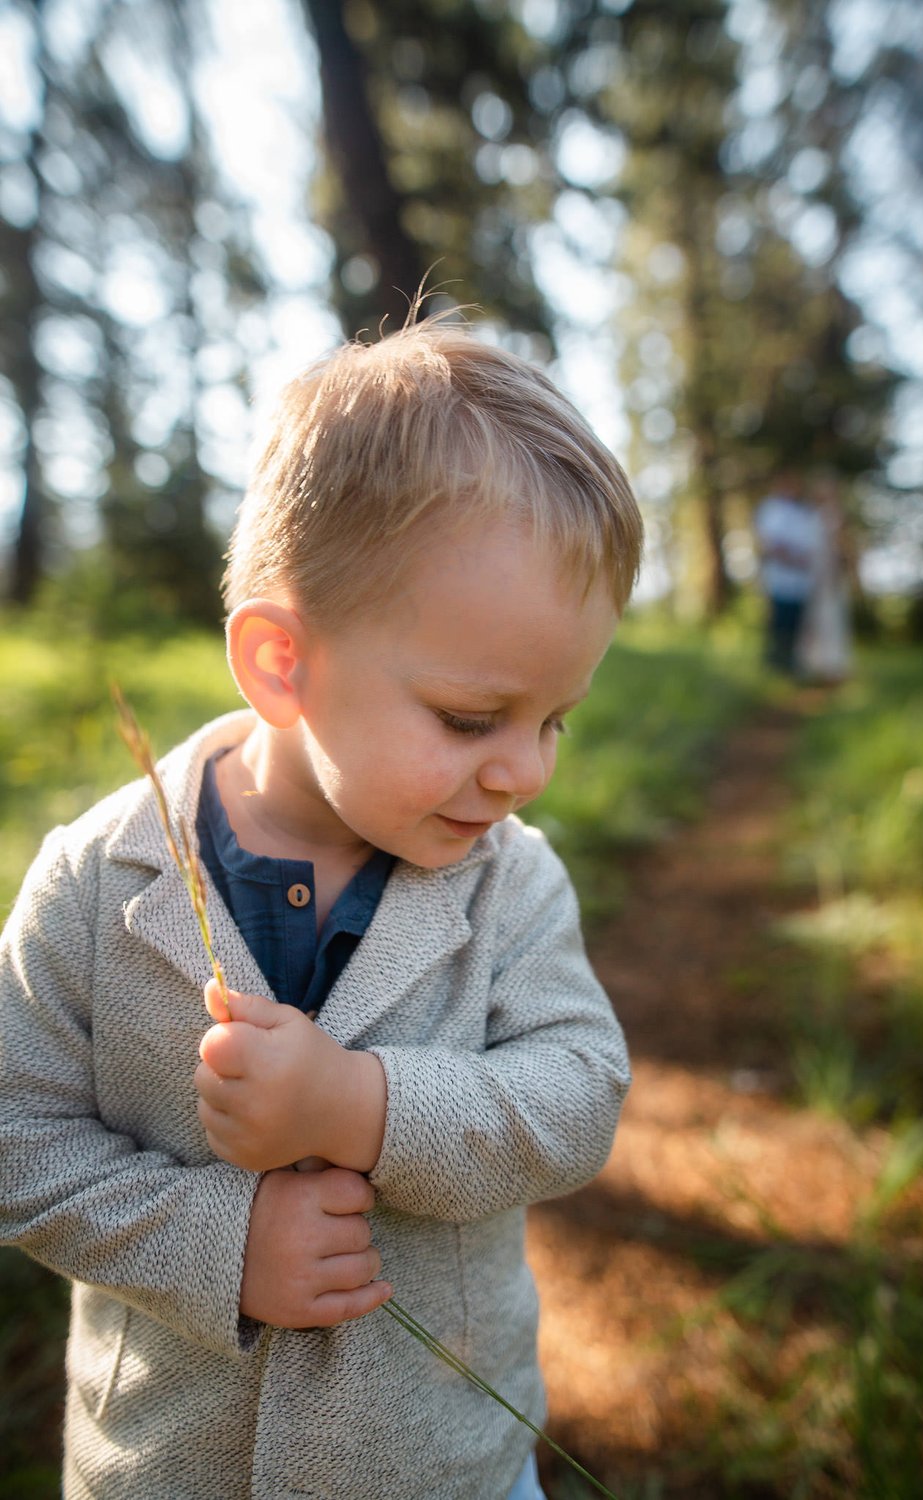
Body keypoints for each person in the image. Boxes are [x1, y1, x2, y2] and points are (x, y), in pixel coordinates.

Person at [0, 320, 643, 1500]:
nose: (526, 773)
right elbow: (13, 1132)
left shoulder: (512, 878)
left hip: (442, 1461)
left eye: (556, 720)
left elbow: (579, 1091)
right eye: (471, 718)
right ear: (282, 664)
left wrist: (362, 1104)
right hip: (167, 1468)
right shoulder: (97, 880)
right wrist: (217, 1243)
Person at [753, 469, 824, 675]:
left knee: (796, 622)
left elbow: (810, 544)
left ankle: (792, 662)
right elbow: (770, 544)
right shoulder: (771, 509)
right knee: (780, 621)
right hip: (781, 576)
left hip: (800, 578)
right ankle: (776, 663)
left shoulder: (802, 512)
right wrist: (793, 560)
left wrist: (805, 561)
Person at [795, 474, 853, 684]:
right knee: (815, 621)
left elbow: (839, 548)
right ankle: (817, 666)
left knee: (830, 620)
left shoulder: (833, 516)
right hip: (814, 575)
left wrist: (835, 573)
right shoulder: (814, 516)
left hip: (829, 575)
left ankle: (832, 666)